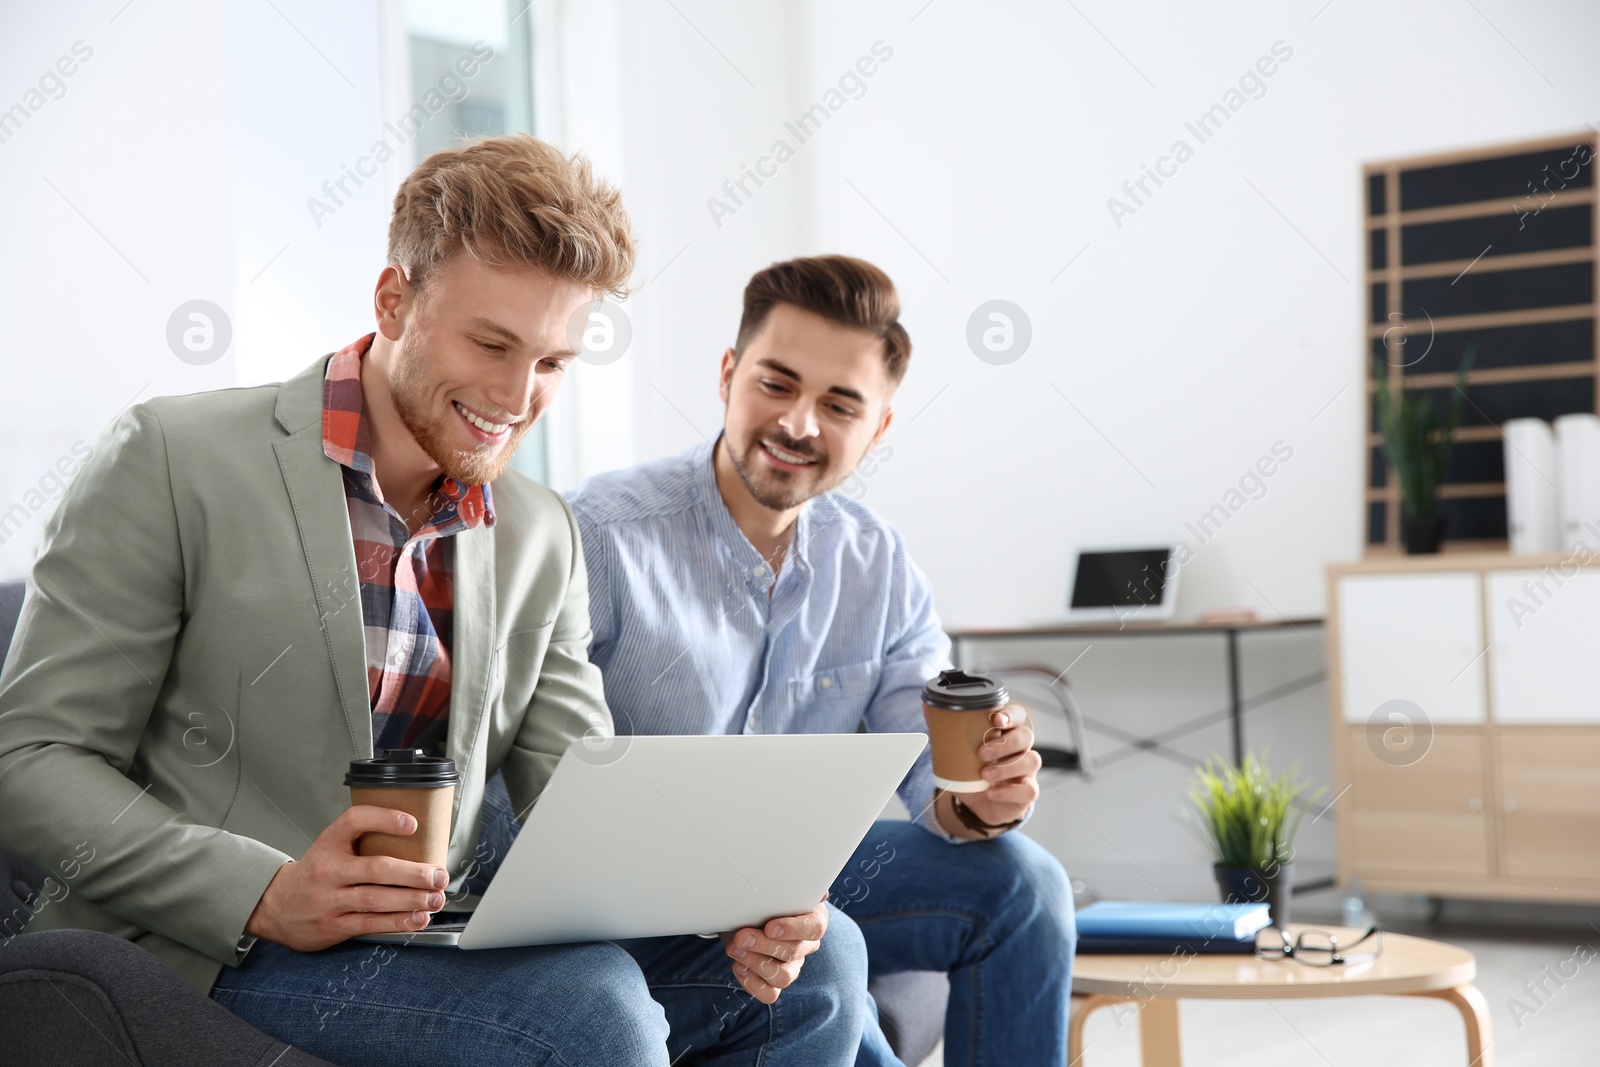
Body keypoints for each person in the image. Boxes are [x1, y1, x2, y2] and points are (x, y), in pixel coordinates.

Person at [0, 137, 867, 1067]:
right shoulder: (175, 456)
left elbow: (586, 789)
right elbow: (31, 756)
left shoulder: (539, 531)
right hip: (213, 941)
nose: (515, 395)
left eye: (551, 363)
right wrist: (263, 889)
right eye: (491, 344)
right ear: (393, 301)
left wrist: (731, 889)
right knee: (591, 1010)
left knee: (822, 961)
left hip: (430, 936)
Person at [559, 255, 1076, 1065]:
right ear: (728, 375)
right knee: (832, 975)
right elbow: (525, 770)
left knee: (1025, 882)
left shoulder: (879, 564)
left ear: (879, 428)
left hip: (810, 873)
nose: (799, 422)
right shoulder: (600, 533)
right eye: (776, 383)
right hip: (631, 893)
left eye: (839, 404)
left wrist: (988, 795)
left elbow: (936, 781)